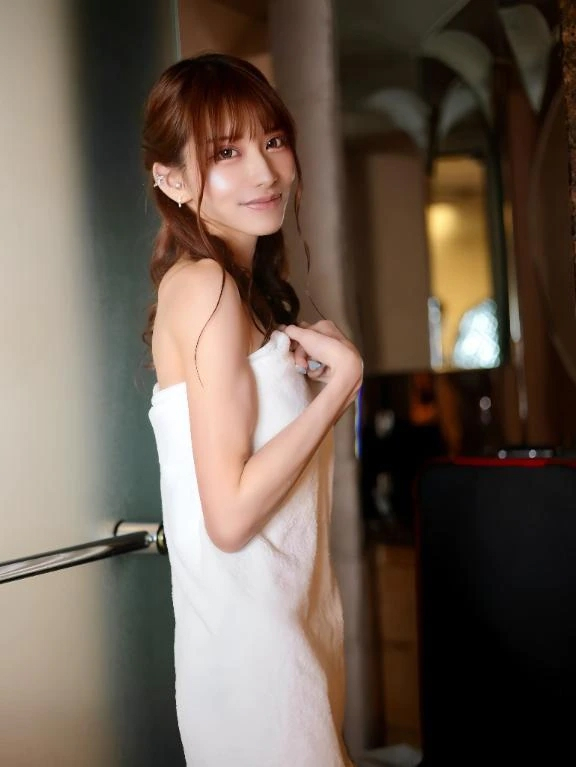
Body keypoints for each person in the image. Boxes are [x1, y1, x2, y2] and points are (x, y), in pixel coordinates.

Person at [142, 53, 362, 766]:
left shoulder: (243, 294)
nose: (265, 171)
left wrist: (310, 384)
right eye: (225, 152)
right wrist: (339, 389)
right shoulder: (205, 285)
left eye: (271, 140)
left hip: (286, 645)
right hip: (256, 668)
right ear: (172, 180)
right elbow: (231, 517)